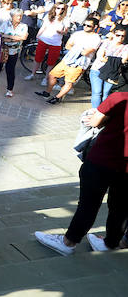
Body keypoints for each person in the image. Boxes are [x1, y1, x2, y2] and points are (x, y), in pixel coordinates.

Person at [34, 90, 128, 255]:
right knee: (120, 207)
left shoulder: (119, 98)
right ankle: (111, 243)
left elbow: (95, 122)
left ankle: (68, 242)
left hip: (102, 160)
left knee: (88, 204)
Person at [35, 17, 101, 105]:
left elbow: (86, 52)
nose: (85, 27)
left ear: (95, 27)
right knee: (52, 75)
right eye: (84, 24)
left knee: (69, 82)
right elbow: (68, 45)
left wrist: (77, 48)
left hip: (79, 64)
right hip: (67, 60)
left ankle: (57, 98)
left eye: (88, 26)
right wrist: (80, 49)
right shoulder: (78, 34)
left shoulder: (96, 38)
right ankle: (47, 93)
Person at [25, 3, 69, 80]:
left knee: (51, 62)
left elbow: (66, 32)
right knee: (37, 58)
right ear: (54, 8)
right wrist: (38, 36)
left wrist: (61, 32)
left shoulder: (66, 19)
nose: (60, 10)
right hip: (44, 40)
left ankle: (46, 78)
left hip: (56, 43)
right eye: (58, 8)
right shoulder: (48, 16)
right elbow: (43, 27)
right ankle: (32, 74)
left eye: (63, 9)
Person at [89, 25, 128, 109]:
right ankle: (95, 111)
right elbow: (100, 57)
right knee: (97, 92)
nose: (120, 38)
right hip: (97, 69)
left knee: (106, 93)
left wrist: (108, 59)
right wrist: (115, 60)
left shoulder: (126, 47)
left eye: (123, 36)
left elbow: (124, 60)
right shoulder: (106, 42)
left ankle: (103, 112)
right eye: (118, 35)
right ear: (113, 34)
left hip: (113, 72)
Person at [0, 10, 29, 97]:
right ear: (12, 16)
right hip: (3, 50)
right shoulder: (5, 24)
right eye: (17, 16)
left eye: (20, 16)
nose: (19, 18)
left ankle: (9, 89)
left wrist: (7, 37)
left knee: (10, 70)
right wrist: (14, 38)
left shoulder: (24, 26)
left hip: (14, 51)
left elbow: (23, 37)